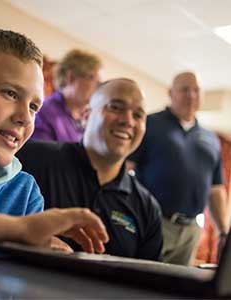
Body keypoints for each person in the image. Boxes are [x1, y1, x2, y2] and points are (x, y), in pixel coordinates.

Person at [0, 28, 109, 255]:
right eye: (10, 94)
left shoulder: (25, 193)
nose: (25, 118)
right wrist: (17, 228)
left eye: (34, 107)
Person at [17, 78, 163, 260]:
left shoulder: (147, 208)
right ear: (86, 115)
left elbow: (147, 283)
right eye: (115, 107)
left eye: (138, 115)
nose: (128, 121)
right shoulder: (30, 159)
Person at [128, 71, 229, 265]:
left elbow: (215, 190)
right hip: (153, 222)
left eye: (196, 90)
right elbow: (125, 168)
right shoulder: (149, 124)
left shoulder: (211, 139)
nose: (191, 95)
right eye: (184, 89)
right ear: (171, 93)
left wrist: (223, 233)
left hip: (191, 229)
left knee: (177, 289)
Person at [31, 49, 101, 142]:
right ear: (71, 78)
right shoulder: (45, 112)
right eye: (92, 78)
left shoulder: (86, 121)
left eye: (98, 80)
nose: (97, 85)